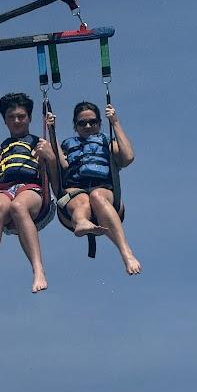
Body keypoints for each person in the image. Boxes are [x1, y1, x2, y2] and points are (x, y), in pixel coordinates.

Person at [0, 92, 59, 295]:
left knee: (18, 205)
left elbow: (58, 183)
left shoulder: (41, 146)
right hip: (4, 193)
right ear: (5, 120)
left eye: (21, 116)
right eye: (11, 117)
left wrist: (50, 157)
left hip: (34, 194)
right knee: (0, 206)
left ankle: (38, 270)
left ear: (29, 118)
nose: (17, 121)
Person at [51, 102, 141, 275]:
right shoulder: (67, 145)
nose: (88, 126)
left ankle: (126, 253)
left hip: (104, 191)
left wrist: (115, 122)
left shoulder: (106, 141)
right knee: (83, 200)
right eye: (82, 123)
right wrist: (52, 131)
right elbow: (60, 165)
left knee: (96, 196)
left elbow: (128, 157)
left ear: (99, 123)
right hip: (75, 190)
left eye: (92, 122)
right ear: (75, 126)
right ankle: (82, 223)